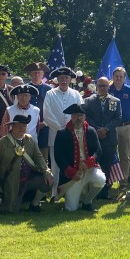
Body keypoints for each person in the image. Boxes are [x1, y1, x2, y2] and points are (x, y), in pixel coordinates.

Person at [0, 114, 53, 213]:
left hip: (29, 179)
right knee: (10, 211)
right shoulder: (0, 143)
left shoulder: (30, 140)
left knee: (48, 181)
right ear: (12, 127)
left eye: (24, 126)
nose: (21, 128)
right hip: (11, 182)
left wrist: (47, 172)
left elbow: (39, 158)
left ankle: (34, 204)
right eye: (18, 126)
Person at [53, 103, 106, 212]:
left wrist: (89, 162)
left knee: (101, 179)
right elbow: (58, 156)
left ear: (85, 117)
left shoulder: (91, 131)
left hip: (89, 169)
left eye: (81, 116)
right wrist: (71, 171)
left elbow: (98, 150)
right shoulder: (62, 133)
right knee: (71, 209)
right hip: (73, 174)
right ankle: (75, 198)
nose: (78, 118)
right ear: (71, 117)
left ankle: (87, 202)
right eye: (76, 116)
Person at [41, 66, 83, 195]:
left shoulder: (76, 94)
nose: (64, 80)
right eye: (61, 78)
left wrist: (71, 128)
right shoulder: (50, 94)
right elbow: (47, 115)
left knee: (73, 164)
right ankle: (54, 193)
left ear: (70, 79)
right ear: (57, 79)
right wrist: (61, 129)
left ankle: (71, 191)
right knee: (55, 166)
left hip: (73, 136)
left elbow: (81, 113)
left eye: (66, 77)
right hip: (56, 136)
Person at [83, 76, 123, 198]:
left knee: (106, 165)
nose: (102, 88)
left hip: (109, 138)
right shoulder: (89, 101)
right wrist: (96, 129)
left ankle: (104, 193)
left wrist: (106, 129)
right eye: (100, 85)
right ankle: (91, 192)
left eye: (105, 85)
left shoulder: (115, 101)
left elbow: (118, 118)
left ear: (108, 87)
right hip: (93, 138)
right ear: (96, 86)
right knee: (94, 164)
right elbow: (87, 117)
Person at [111, 66, 130, 181]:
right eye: (116, 76)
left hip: (125, 127)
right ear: (112, 77)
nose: (118, 79)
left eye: (120, 76)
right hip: (111, 128)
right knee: (110, 153)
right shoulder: (108, 90)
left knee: (124, 155)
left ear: (124, 78)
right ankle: (110, 180)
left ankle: (123, 180)